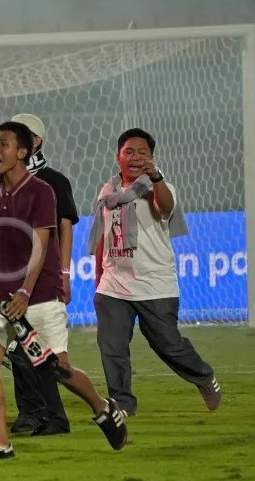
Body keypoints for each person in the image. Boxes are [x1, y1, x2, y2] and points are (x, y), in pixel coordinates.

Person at [0, 121, 128, 461]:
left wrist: (25, 292)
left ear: (23, 152)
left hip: (39, 296)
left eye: (3, 144)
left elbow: (40, 247)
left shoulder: (42, 191)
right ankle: (0, 444)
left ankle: (102, 407)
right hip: (3, 300)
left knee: (58, 369)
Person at [90, 128, 221, 415]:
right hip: (113, 284)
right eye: (129, 152)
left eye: (142, 153)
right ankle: (122, 404)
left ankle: (203, 376)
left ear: (151, 158)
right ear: (118, 156)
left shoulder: (160, 187)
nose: (135, 157)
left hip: (155, 284)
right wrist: (98, 277)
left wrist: (157, 177)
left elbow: (165, 208)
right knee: (111, 347)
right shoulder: (107, 191)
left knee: (167, 345)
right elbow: (103, 235)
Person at [3, 114, 77, 436]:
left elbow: (63, 227)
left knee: (54, 357)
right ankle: (30, 413)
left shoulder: (54, 181)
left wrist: (64, 272)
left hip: (44, 280)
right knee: (17, 351)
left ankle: (94, 406)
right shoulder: (0, 183)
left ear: (35, 142)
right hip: (12, 280)